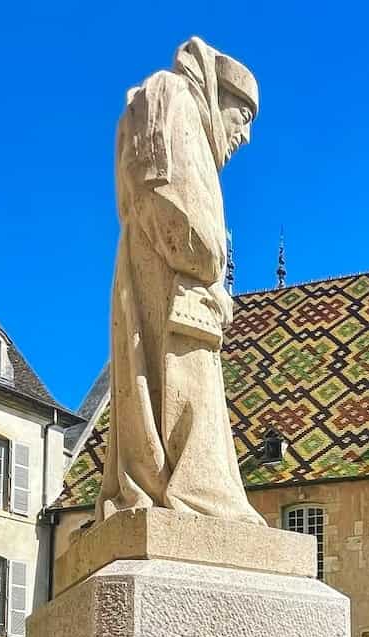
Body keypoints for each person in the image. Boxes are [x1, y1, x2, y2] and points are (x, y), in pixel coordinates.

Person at [98, 37, 264, 525]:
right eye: (244, 117)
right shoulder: (170, 97)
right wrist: (210, 262)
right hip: (173, 297)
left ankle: (191, 492)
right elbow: (165, 194)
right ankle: (196, 497)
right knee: (181, 403)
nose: (245, 135)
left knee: (179, 406)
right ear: (220, 97)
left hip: (175, 292)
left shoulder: (176, 109)